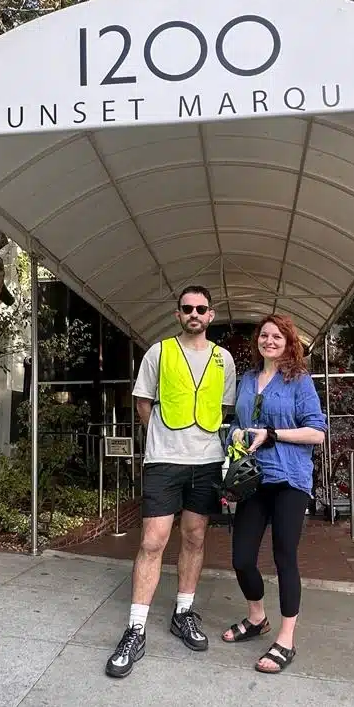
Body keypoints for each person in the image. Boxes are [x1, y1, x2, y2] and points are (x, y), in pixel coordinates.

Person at [106, 286, 236, 678]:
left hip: (207, 461)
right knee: (152, 540)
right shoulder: (158, 353)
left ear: (210, 315)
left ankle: (183, 613)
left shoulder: (223, 359)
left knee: (195, 537)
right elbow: (143, 401)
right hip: (164, 460)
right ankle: (136, 626)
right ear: (177, 314)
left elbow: (225, 408)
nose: (194, 314)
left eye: (201, 308)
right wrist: (160, 437)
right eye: (187, 308)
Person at [222, 315, 326, 674]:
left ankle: (286, 638)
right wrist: (235, 434)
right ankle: (257, 618)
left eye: (276, 336)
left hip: (290, 481)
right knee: (241, 558)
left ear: (288, 341)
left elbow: (317, 433)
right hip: (254, 480)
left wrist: (273, 434)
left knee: (285, 558)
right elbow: (238, 421)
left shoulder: (299, 381)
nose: (269, 340)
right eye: (264, 335)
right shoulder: (248, 379)